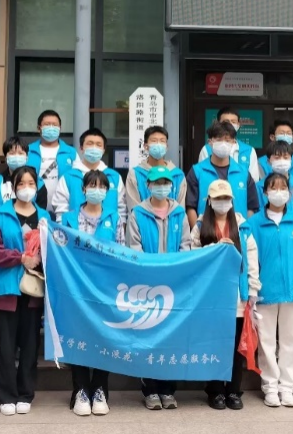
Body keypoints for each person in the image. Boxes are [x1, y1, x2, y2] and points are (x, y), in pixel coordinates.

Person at [191, 180, 261, 411]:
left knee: (235, 346)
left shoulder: (242, 226)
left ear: (232, 201)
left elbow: (251, 259)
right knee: (213, 344)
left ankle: (233, 390)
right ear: (209, 201)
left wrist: (252, 290)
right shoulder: (200, 226)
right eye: (218, 199)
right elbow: (192, 257)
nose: (222, 203)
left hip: (236, 295)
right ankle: (215, 391)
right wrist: (216, 248)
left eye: (226, 199)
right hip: (211, 295)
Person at [0, 166, 50, 416]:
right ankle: (6, 395)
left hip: (33, 291)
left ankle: (25, 393)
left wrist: (41, 257)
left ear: (37, 186)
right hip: (6, 289)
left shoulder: (44, 216)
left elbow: (54, 250)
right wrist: (20, 257)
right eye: (21, 183)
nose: (26, 188)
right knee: (5, 346)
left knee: (30, 345)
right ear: (13, 188)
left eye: (31, 183)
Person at [127, 166, 193, 411]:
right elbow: (134, 248)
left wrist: (175, 272)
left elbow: (186, 246)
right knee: (148, 338)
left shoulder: (179, 214)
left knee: (171, 338)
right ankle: (150, 389)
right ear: (148, 186)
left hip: (174, 286)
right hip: (147, 287)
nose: (161, 187)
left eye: (165, 183)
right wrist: (151, 272)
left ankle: (168, 390)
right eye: (157, 183)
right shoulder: (137, 214)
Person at [62, 170, 126, 416]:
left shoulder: (114, 218)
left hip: (104, 288)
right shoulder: (68, 218)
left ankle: (99, 389)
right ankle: (80, 390)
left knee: (103, 337)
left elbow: (120, 252)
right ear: (83, 189)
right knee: (78, 336)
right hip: (76, 288)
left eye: (101, 186)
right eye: (92, 185)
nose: (96, 190)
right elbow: (60, 249)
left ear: (107, 192)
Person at [248, 173, 293, 408]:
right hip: (264, 292)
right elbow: (251, 259)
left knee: (290, 341)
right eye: (273, 188)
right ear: (265, 192)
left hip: (292, 292)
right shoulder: (254, 224)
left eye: (283, 187)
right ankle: (270, 387)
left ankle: (287, 388)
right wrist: (252, 289)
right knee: (266, 343)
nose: (279, 192)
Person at [186, 122, 260, 228]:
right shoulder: (197, 171)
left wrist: (245, 230)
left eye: (227, 140)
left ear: (234, 143)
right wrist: (197, 233)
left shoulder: (243, 173)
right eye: (219, 139)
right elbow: (190, 207)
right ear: (210, 142)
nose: (223, 144)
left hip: (237, 233)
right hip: (206, 233)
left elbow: (252, 207)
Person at [52, 128, 126, 223]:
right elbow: (61, 210)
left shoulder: (114, 177)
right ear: (81, 148)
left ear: (104, 150)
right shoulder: (68, 177)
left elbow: (122, 210)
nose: (94, 148)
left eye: (98, 145)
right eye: (90, 144)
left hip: (108, 231)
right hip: (75, 231)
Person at [25, 110, 79, 213]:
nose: (51, 127)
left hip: (64, 209)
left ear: (60, 128)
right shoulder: (28, 151)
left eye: (54, 125)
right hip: (33, 208)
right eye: (47, 124)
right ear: (39, 128)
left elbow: (78, 180)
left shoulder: (71, 153)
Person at [126, 125, 186, 211]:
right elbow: (134, 209)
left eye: (162, 141)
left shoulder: (178, 175)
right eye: (154, 141)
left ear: (167, 147)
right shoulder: (135, 174)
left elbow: (180, 210)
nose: (158, 144)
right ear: (145, 146)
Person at [255, 140, 293, 218]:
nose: (282, 161)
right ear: (268, 161)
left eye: (286, 157)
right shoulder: (258, 188)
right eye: (277, 158)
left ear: (291, 160)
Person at [198, 106, 259, 181]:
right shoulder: (207, 149)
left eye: (233, 122)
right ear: (218, 123)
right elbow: (201, 176)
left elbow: (254, 180)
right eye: (226, 122)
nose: (229, 125)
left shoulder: (249, 151)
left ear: (238, 124)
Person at [0, 136, 48, 211]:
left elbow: (41, 210)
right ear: (6, 158)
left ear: (27, 157)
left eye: (20, 153)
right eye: (12, 153)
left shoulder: (38, 183)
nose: (16, 156)